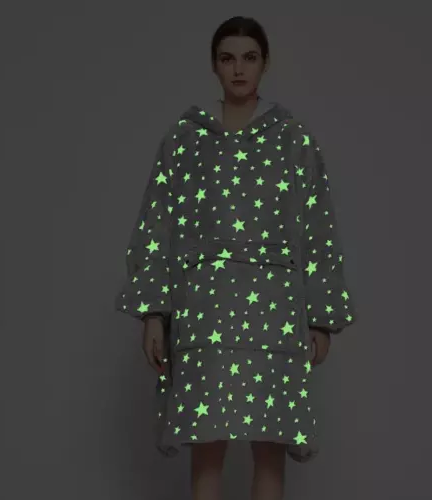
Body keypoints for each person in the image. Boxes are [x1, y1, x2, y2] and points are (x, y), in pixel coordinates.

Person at [114, 15, 358, 500]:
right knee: (207, 445)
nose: (239, 69)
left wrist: (321, 318)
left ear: (265, 63)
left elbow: (318, 227)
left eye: (249, 58)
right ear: (214, 65)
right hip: (204, 310)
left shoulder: (292, 139)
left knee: (270, 445)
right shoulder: (185, 139)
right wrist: (154, 314)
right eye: (228, 58)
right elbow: (157, 225)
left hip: (274, 312)